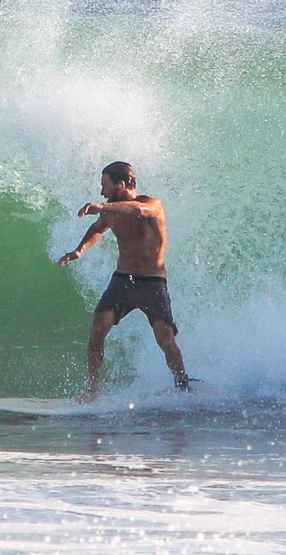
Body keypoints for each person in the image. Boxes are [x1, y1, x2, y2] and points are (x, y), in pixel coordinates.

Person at [57, 161, 190, 401]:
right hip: (123, 280)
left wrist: (101, 207)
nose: (102, 192)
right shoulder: (110, 211)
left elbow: (139, 211)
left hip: (152, 282)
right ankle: (91, 390)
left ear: (121, 184)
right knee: (98, 330)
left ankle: (183, 385)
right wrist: (79, 251)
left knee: (165, 340)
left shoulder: (152, 204)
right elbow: (97, 229)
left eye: (104, 186)